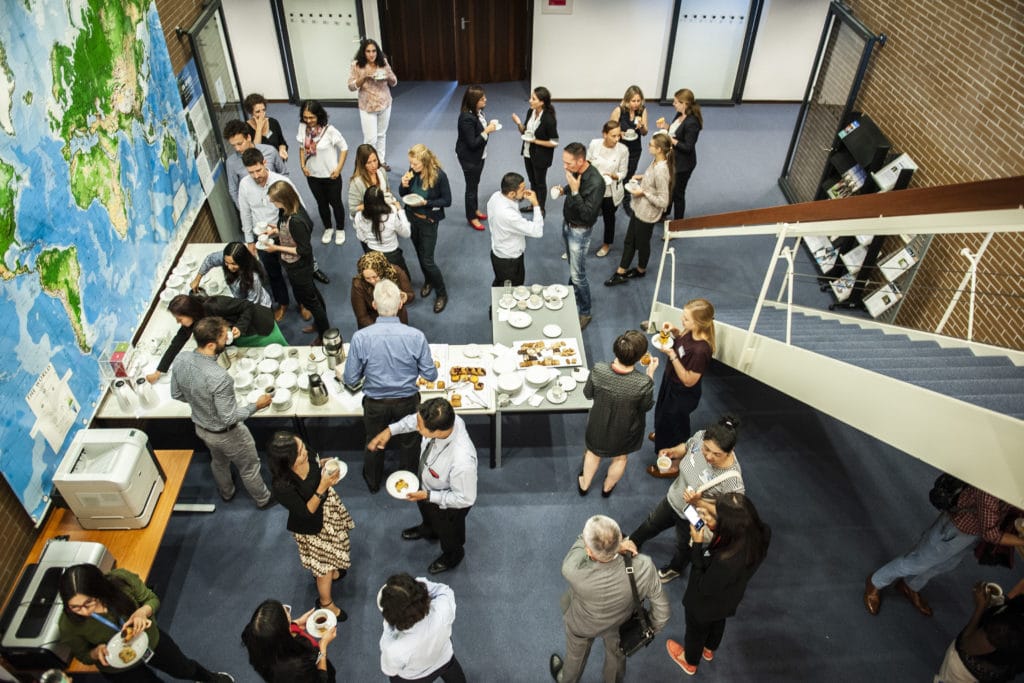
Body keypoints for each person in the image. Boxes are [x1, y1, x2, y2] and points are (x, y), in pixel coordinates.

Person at [865, 483, 1024, 617]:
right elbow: (991, 534)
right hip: (957, 529)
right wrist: (1020, 540)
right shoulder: (992, 486)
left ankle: (910, 586)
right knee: (917, 562)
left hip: (974, 533)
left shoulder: (1012, 480)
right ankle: (876, 581)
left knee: (946, 564)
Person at [58, 563, 235, 682]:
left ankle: (210, 679)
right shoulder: (68, 624)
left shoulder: (121, 581)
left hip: (151, 640)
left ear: (100, 589)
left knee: (184, 669)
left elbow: (152, 599)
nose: (84, 611)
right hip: (119, 667)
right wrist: (95, 653)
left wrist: (143, 612)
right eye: (75, 607)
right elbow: (83, 655)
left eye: (89, 602)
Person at [623, 415, 744, 583]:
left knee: (684, 546)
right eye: (706, 449)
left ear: (730, 451)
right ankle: (633, 541)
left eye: (717, 454)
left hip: (695, 517)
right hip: (674, 497)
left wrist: (699, 502)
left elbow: (731, 515)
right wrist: (673, 451)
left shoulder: (733, 481)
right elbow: (687, 447)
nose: (708, 457)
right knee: (652, 522)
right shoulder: (701, 436)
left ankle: (676, 569)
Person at [549, 515, 670, 683]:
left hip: (582, 624)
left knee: (575, 656)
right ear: (620, 537)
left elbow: (580, 546)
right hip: (621, 626)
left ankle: (567, 680)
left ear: (589, 551)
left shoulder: (572, 570)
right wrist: (647, 628)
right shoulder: (644, 566)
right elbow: (663, 613)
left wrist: (613, 546)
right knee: (616, 658)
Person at [169, 317, 274, 507]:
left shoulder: (180, 358)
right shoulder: (220, 378)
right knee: (249, 467)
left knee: (218, 462)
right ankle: (263, 499)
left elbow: (176, 394)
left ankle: (227, 492)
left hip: (202, 429)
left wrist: (199, 401)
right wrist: (256, 406)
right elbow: (229, 417)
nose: (227, 339)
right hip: (229, 434)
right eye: (223, 337)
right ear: (211, 345)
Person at [343, 280, 436, 493]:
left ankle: (373, 482)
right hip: (407, 402)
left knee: (375, 441)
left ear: (374, 305)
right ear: (401, 304)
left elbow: (350, 379)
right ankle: (409, 481)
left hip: (375, 404)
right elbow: (430, 375)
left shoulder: (360, 338)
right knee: (410, 443)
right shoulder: (416, 337)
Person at [368, 397, 477, 575]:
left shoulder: (462, 461)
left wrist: (428, 496)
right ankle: (429, 529)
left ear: (437, 431)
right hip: (427, 487)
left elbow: (465, 498)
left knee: (450, 533)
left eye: (420, 427)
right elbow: (414, 420)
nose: (416, 427)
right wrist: (390, 430)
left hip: (449, 505)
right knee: (428, 514)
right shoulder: (448, 419)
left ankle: (452, 555)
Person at [665, 492, 771, 675]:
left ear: (728, 527)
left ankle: (690, 661)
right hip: (729, 598)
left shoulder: (725, 559)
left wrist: (697, 545)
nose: (704, 516)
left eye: (712, 516)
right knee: (718, 623)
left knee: (695, 632)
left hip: (703, 603)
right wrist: (701, 504)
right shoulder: (761, 533)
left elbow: (704, 585)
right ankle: (709, 649)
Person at [267, 431, 354, 622]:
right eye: (299, 453)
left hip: (327, 510)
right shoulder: (282, 485)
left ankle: (333, 571)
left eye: (302, 446)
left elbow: (314, 461)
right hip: (312, 527)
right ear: (286, 461)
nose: (305, 452)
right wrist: (323, 486)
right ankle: (326, 603)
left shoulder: (307, 452)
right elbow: (307, 512)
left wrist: (323, 464)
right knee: (323, 568)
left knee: (337, 547)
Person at [237, 147, 316, 322]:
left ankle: (303, 303)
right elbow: (245, 214)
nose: (256, 176)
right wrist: (249, 241)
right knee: (273, 274)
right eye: (251, 172)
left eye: (258, 170)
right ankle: (283, 303)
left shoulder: (281, 182)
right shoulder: (244, 185)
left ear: (264, 163)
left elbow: (299, 209)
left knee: (294, 273)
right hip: (264, 239)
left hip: (286, 235)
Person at [578, 330, 657, 497]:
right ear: (641, 357)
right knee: (620, 458)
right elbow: (646, 407)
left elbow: (588, 394)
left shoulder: (599, 369)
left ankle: (585, 484)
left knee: (593, 453)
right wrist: (650, 376)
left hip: (598, 423)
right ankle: (607, 488)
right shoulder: (643, 383)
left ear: (616, 350)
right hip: (626, 430)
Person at [145, 292, 285, 384]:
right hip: (239, 337)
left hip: (258, 327)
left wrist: (241, 327)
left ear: (189, 312)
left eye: (179, 319)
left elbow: (247, 306)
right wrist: (159, 371)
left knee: (280, 356)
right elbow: (176, 343)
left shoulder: (215, 304)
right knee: (259, 363)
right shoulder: (193, 321)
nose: (178, 322)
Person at [266, 180, 332, 345]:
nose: (272, 203)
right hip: (297, 266)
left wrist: (277, 248)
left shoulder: (295, 221)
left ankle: (324, 334)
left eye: (274, 201)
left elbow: (303, 250)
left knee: (312, 301)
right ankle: (319, 324)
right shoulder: (289, 210)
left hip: (299, 267)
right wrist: (276, 230)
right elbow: (290, 232)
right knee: (313, 294)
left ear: (283, 199)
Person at [649, 298, 715, 455]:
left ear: (699, 323)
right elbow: (682, 345)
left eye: (686, 319)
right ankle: (662, 435)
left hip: (681, 393)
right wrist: (675, 332)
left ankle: (674, 459)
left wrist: (671, 354)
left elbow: (688, 380)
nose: (681, 320)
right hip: (670, 381)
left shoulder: (701, 350)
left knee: (674, 423)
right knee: (662, 413)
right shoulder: (689, 331)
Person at [605, 133, 673, 285]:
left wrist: (643, 192)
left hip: (648, 214)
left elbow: (664, 201)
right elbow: (652, 180)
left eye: (651, 145)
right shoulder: (656, 161)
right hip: (640, 208)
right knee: (630, 240)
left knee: (642, 243)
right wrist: (641, 177)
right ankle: (622, 271)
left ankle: (639, 270)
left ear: (659, 149)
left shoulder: (661, 170)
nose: (648, 146)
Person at [377, 574, 466, 682]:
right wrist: (420, 584)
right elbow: (444, 590)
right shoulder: (442, 610)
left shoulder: (393, 649)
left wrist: (388, 625)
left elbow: (389, 670)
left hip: (413, 677)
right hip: (443, 658)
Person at [554, 142, 604, 330]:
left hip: (579, 231)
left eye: (568, 163)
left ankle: (585, 311)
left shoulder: (596, 182)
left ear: (581, 161)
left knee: (578, 275)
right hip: (568, 224)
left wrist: (574, 191)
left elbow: (588, 216)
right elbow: (573, 186)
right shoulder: (578, 170)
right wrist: (565, 190)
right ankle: (571, 293)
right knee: (573, 267)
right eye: (564, 162)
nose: (565, 167)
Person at [398, 144, 452, 314]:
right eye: (411, 163)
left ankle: (441, 293)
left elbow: (447, 201)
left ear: (425, 161)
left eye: (415, 164)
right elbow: (403, 194)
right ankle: (428, 280)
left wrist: (426, 203)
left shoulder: (439, 176)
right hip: (412, 218)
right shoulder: (413, 171)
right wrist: (404, 184)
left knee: (428, 260)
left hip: (428, 221)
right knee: (420, 254)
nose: (411, 167)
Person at [934, 583, 1024, 683]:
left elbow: (966, 645)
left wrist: (980, 606)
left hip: (964, 671)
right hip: (1000, 669)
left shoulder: (1009, 629)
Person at [242, 599, 337, 682]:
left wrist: (296, 623)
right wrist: (323, 646)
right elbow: (321, 679)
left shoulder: (257, 642)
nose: (289, 614)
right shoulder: (295, 668)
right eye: (287, 615)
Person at [297, 100, 348, 246]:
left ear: (319, 115)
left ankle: (340, 229)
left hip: (331, 176)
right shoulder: (302, 128)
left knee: (336, 203)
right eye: (305, 117)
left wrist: (338, 168)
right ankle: (328, 228)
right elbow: (302, 148)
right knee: (321, 203)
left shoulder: (330, 130)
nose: (308, 121)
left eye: (311, 117)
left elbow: (344, 148)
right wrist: (302, 165)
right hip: (313, 175)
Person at [485, 171, 543, 287]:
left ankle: (494, 304)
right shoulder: (508, 215)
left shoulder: (496, 196)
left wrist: (520, 196)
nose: (525, 191)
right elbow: (537, 231)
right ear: (511, 193)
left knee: (499, 282)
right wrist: (536, 204)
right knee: (512, 290)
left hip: (498, 252)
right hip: (510, 260)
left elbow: (513, 206)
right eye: (522, 189)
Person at [348, 38, 397, 169]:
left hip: (385, 103)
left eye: (374, 51)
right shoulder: (356, 65)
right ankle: (369, 165)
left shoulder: (383, 62)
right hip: (367, 106)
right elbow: (351, 86)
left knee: (382, 134)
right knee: (370, 139)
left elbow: (394, 82)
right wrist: (363, 78)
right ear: (363, 52)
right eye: (368, 51)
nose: (371, 54)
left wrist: (387, 76)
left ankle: (380, 161)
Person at [455, 85, 499, 230]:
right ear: (474, 101)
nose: (485, 100)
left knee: (475, 184)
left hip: (480, 155)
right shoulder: (466, 118)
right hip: (469, 158)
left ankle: (474, 210)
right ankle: (471, 217)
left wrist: (487, 128)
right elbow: (473, 143)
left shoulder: (478, 112)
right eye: (482, 98)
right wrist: (487, 131)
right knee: (471, 188)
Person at [656, 88, 702, 220]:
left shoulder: (692, 123)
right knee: (669, 189)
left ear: (685, 104)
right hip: (673, 159)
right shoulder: (679, 114)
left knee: (678, 194)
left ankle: (678, 224)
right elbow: (676, 131)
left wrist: (672, 140)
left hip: (684, 165)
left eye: (676, 102)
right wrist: (667, 127)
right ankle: (665, 213)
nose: (673, 104)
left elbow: (688, 147)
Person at [511, 86, 558, 214]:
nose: (530, 100)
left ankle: (540, 208)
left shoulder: (549, 119)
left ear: (542, 102)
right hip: (528, 153)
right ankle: (534, 205)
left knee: (540, 183)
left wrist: (535, 141)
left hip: (541, 156)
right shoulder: (530, 112)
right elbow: (525, 131)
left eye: (533, 98)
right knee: (532, 181)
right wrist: (518, 123)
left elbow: (554, 142)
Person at [587, 121, 629, 257]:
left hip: (611, 191)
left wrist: (615, 176)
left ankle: (606, 244)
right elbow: (587, 163)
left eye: (618, 136)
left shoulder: (623, 150)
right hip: (594, 188)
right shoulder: (594, 144)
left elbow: (623, 172)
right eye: (613, 136)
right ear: (604, 134)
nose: (617, 139)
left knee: (609, 219)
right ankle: (581, 243)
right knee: (586, 217)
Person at [223, 119, 287, 209]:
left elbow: (284, 173)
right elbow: (233, 190)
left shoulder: (270, 151)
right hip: (256, 210)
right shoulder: (231, 163)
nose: (237, 148)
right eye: (233, 145)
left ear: (248, 137)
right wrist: (244, 209)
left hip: (279, 203)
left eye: (240, 143)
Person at [190, 242, 272, 307]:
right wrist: (197, 279)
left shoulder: (253, 278)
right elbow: (210, 260)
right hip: (240, 299)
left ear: (243, 261)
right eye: (226, 262)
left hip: (259, 307)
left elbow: (251, 304)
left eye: (234, 264)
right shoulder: (228, 257)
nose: (229, 267)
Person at [354, 185, 411, 273]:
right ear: (382, 200)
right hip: (392, 255)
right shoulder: (391, 215)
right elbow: (406, 233)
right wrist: (400, 211)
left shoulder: (359, 216)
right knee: (401, 279)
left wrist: (371, 241)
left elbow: (361, 237)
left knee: (378, 278)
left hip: (372, 252)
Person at [351, 251, 415, 329]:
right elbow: (362, 316)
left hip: (397, 317)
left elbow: (411, 295)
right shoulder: (358, 284)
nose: (372, 281)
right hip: (372, 322)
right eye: (367, 278)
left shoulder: (396, 272)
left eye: (375, 277)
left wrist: (406, 296)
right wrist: (380, 330)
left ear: (382, 271)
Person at [610, 85, 648, 216]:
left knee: (629, 174)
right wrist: (620, 133)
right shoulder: (619, 110)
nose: (636, 104)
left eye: (638, 101)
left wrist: (641, 127)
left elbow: (644, 133)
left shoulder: (642, 111)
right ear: (627, 100)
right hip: (619, 149)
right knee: (615, 173)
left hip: (635, 149)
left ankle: (626, 201)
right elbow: (610, 130)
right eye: (633, 101)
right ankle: (610, 199)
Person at [348, 144, 391, 220]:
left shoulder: (382, 171)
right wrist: (374, 205)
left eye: (375, 160)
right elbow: (353, 210)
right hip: (367, 220)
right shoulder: (356, 183)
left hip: (383, 216)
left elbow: (387, 190)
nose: (374, 165)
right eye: (369, 163)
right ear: (362, 164)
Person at [244, 93, 289, 160]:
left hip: (276, 160)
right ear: (251, 113)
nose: (262, 114)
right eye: (258, 112)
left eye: (264, 110)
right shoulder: (246, 128)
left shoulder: (273, 122)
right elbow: (255, 151)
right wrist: (259, 127)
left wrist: (282, 149)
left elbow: (281, 142)